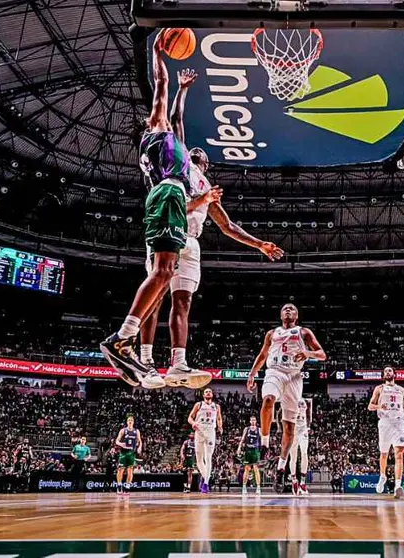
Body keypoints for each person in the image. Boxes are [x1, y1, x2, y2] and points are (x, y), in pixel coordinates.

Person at [138, 69, 284, 387]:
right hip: (168, 231)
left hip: (192, 241)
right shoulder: (178, 166)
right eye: (193, 151)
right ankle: (146, 361)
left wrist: (260, 244)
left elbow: (227, 226)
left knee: (183, 301)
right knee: (157, 295)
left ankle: (178, 364)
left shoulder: (206, 184)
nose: (197, 153)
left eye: (201, 156)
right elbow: (176, 127)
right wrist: (183, 90)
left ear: (207, 165)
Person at [98, 31, 207, 390]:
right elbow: (159, 85)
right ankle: (122, 338)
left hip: (169, 198)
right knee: (161, 273)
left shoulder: (169, 140)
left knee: (165, 272)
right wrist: (158, 50)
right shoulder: (155, 130)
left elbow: (178, 118)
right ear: (148, 125)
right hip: (166, 197)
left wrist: (185, 90)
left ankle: (151, 353)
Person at [246, 304, 326, 493]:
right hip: (274, 372)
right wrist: (251, 374)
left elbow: (322, 354)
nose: (288, 310)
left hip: (294, 377)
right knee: (267, 400)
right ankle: (264, 443)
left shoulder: (303, 332)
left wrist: (308, 353)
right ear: (281, 315)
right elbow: (263, 355)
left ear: (296, 315)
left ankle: (281, 467)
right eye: (285, 309)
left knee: (289, 427)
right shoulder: (271, 333)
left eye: (292, 309)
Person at [367, 367, 404, 499]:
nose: (388, 372)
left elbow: (402, 406)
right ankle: (382, 476)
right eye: (386, 371)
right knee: (384, 454)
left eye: (390, 371)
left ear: (394, 374)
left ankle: (397, 486)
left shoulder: (401, 390)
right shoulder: (379, 388)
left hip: (399, 423)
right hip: (385, 422)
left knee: (399, 455)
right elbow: (370, 406)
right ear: (383, 375)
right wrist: (379, 407)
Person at [187, 388, 223, 493]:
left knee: (208, 458)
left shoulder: (216, 406)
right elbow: (189, 417)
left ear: (212, 395)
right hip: (199, 431)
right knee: (199, 460)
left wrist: (220, 426)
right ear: (203, 395)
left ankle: (206, 483)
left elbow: (219, 418)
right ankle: (204, 476)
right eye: (206, 392)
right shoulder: (199, 405)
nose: (208, 393)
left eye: (210, 391)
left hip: (210, 432)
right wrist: (193, 423)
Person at [287, 397, 312, 495]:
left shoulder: (304, 401)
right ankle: (294, 480)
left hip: (303, 431)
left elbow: (308, 414)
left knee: (305, 454)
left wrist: (308, 426)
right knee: (293, 457)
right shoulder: (289, 400)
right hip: (293, 431)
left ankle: (302, 482)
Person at [115, 416, 143, 494]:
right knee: (120, 470)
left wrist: (140, 447)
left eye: (131, 420)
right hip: (123, 452)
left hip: (131, 452)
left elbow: (140, 441)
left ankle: (127, 487)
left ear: (133, 422)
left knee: (130, 471)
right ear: (127, 422)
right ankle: (119, 485)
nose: (130, 421)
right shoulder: (123, 430)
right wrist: (121, 444)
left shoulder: (136, 431)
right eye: (129, 420)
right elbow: (116, 441)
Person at [237, 416, 263, 495]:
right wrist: (239, 448)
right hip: (248, 450)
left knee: (256, 468)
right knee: (247, 469)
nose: (253, 421)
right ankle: (244, 487)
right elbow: (242, 439)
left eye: (254, 420)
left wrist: (264, 448)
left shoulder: (259, 430)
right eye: (252, 420)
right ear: (250, 421)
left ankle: (258, 487)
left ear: (256, 421)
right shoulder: (246, 429)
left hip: (255, 450)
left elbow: (263, 439)